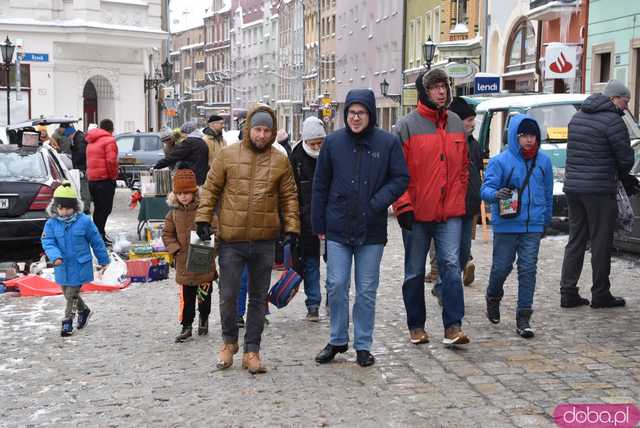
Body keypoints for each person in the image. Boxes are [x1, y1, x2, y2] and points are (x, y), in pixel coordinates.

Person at [196, 105, 300, 374]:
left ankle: (252, 349)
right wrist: (203, 219)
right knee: (228, 294)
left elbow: (289, 196)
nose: (262, 135)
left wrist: (292, 228)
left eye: (267, 130)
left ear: (273, 132)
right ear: (248, 129)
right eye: (258, 129)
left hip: (265, 239)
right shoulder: (228, 156)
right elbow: (211, 189)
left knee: (257, 298)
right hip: (232, 238)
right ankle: (229, 342)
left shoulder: (280, 160)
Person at [312, 89, 409, 367]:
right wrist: (319, 224)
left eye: (361, 113)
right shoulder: (332, 143)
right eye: (352, 113)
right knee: (337, 284)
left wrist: (378, 201)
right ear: (346, 115)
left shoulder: (387, 143)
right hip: (338, 226)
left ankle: (363, 344)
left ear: (370, 114)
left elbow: (401, 177)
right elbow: (320, 186)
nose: (356, 118)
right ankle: (337, 338)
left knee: (366, 289)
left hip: (371, 228)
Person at [392, 69, 470, 347]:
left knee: (451, 266)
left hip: (449, 212)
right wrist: (403, 207)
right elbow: (396, 173)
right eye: (435, 87)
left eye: (444, 86)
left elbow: (463, 168)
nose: (441, 92)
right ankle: (416, 326)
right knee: (414, 270)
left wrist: (459, 197)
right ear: (425, 91)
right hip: (416, 213)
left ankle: (453, 326)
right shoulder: (406, 127)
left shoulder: (456, 123)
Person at [559, 80, 637, 309]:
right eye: (625, 101)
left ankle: (568, 292)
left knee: (576, 239)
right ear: (614, 98)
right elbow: (626, 158)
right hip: (599, 190)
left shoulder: (578, 117)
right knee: (601, 241)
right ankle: (600, 293)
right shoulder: (613, 121)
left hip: (574, 188)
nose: (626, 106)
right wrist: (623, 175)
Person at [481, 115, 553, 338]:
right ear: (515, 136)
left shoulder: (543, 162)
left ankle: (524, 316)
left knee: (528, 269)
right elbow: (485, 190)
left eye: (533, 135)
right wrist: (495, 194)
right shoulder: (500, 162)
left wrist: (545, 221)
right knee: (502, 267)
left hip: (532, 225)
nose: (529, 140)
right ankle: (493, 296)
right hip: (507, 225)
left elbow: (548, 194)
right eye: (524, 136)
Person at [431, 97, 484, 302]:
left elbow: (476, 174)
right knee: (450, 255)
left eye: (473, 119)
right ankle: (447, 291)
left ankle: (441, 285)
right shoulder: (445, 142)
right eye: (468, 120)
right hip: (450, 208)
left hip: (469, 207)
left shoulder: (475, 145)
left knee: (463, 253)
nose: (472, 124)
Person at [41, 182, 110, 337]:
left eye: (68, 208)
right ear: (55, 207)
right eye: (61, 208)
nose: (64, 212)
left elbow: (96, 240)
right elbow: (48, 242)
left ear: (75, 207)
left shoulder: (84, 221)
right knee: (67, 292)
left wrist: (103, 259)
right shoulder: (51, 224)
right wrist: (55, 256)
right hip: (62, 265)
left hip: (80, 264)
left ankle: (67, 322)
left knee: (71, 294)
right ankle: (84, 310)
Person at [162, 166, 218, 343]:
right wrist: (175, 249)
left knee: (204, 297)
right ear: (175, 194)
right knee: (187, 299)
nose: (184, 196)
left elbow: (216, 230)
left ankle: (204, 318)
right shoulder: (173, 213)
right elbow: (167, 234)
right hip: (184, 263)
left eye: (187, 193)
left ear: (194, 192)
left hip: (203, 261)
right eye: (180, 193)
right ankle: (186, 326)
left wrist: (210, 248)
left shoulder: (205, 211)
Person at [290, 116, 326, 321]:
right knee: (311, 263)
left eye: (319, 142)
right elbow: (291, 191)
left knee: (336, 264)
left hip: (331, 219)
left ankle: (334, 298)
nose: (316, 146)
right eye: (313, 143)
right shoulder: (296, 157)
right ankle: (313, 304)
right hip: (306, 220)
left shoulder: (331, 152)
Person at [85, 118, 119, 245]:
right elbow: (111, 161)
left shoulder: (91, 141)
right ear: (112, 129)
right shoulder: (109, 140)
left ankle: (99, 234)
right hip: (105, 180)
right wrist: (113, 176)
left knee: (99, 208)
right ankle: (98, 236)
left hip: (93, 180)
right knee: (105, 209)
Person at [62, 125, 91, 214]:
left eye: (68, 136)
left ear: (70, 134)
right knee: (83, 188)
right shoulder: (79, 138)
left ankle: (85, 208)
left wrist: (74, 161)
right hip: (82, 167)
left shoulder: (79, 139)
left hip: (82, 168)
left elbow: (81, 154)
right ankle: (84, 206)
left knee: (84, 188)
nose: (68, 138)